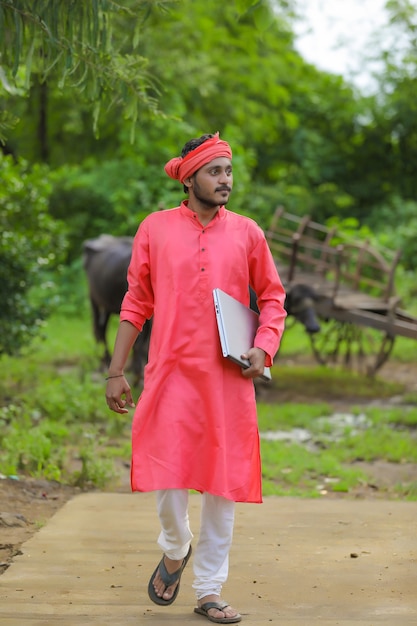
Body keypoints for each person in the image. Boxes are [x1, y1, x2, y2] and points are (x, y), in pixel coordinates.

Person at [105, 132, 287, 623]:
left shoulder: (248, 232)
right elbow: (136, 301)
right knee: (168, 477)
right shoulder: (156, 228)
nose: (225, 180)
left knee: (223, 486)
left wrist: (263, 347)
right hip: (169, 373)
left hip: (227, 380)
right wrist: (116, 370)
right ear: (190, 179)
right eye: (215, 172)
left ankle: (209, 589)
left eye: (228, 171)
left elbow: (273, 297)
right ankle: (175, 543)